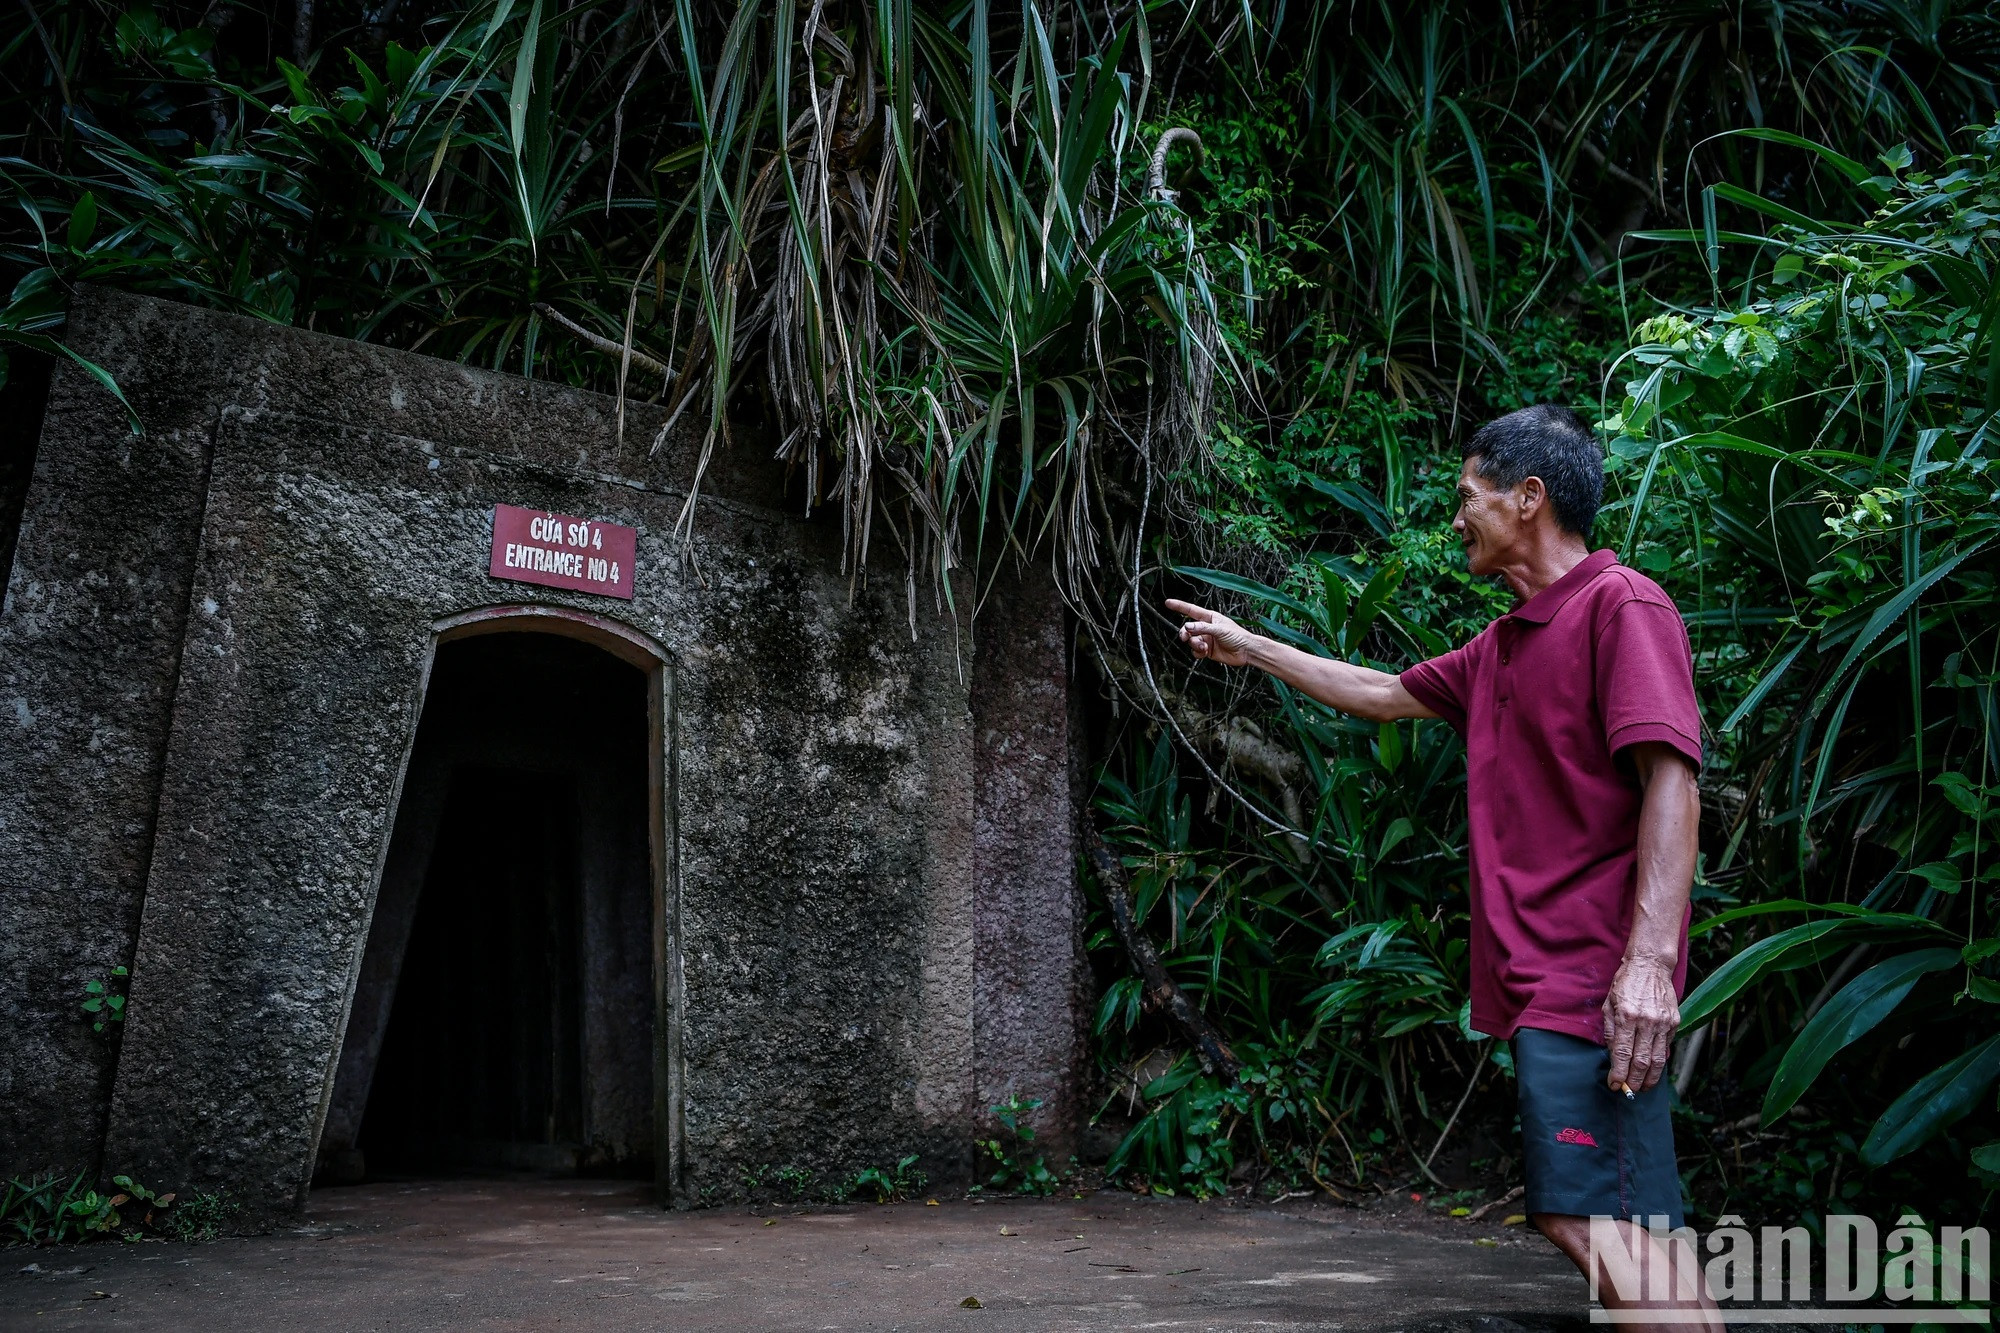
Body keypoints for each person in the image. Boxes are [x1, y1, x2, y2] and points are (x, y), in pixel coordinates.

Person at [1167, 405, 1722, 1330]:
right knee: (1618, 1226)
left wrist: (1648, 966)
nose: (1455, 518)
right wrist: (1248, 644)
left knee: (1594, 1221)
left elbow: (1673, 778)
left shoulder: (1621, 605)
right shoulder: (1503, 644)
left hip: (1593, 976)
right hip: (1553, 980)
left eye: (1468, 496)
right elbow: (1383, 693)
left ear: (1529, 497)